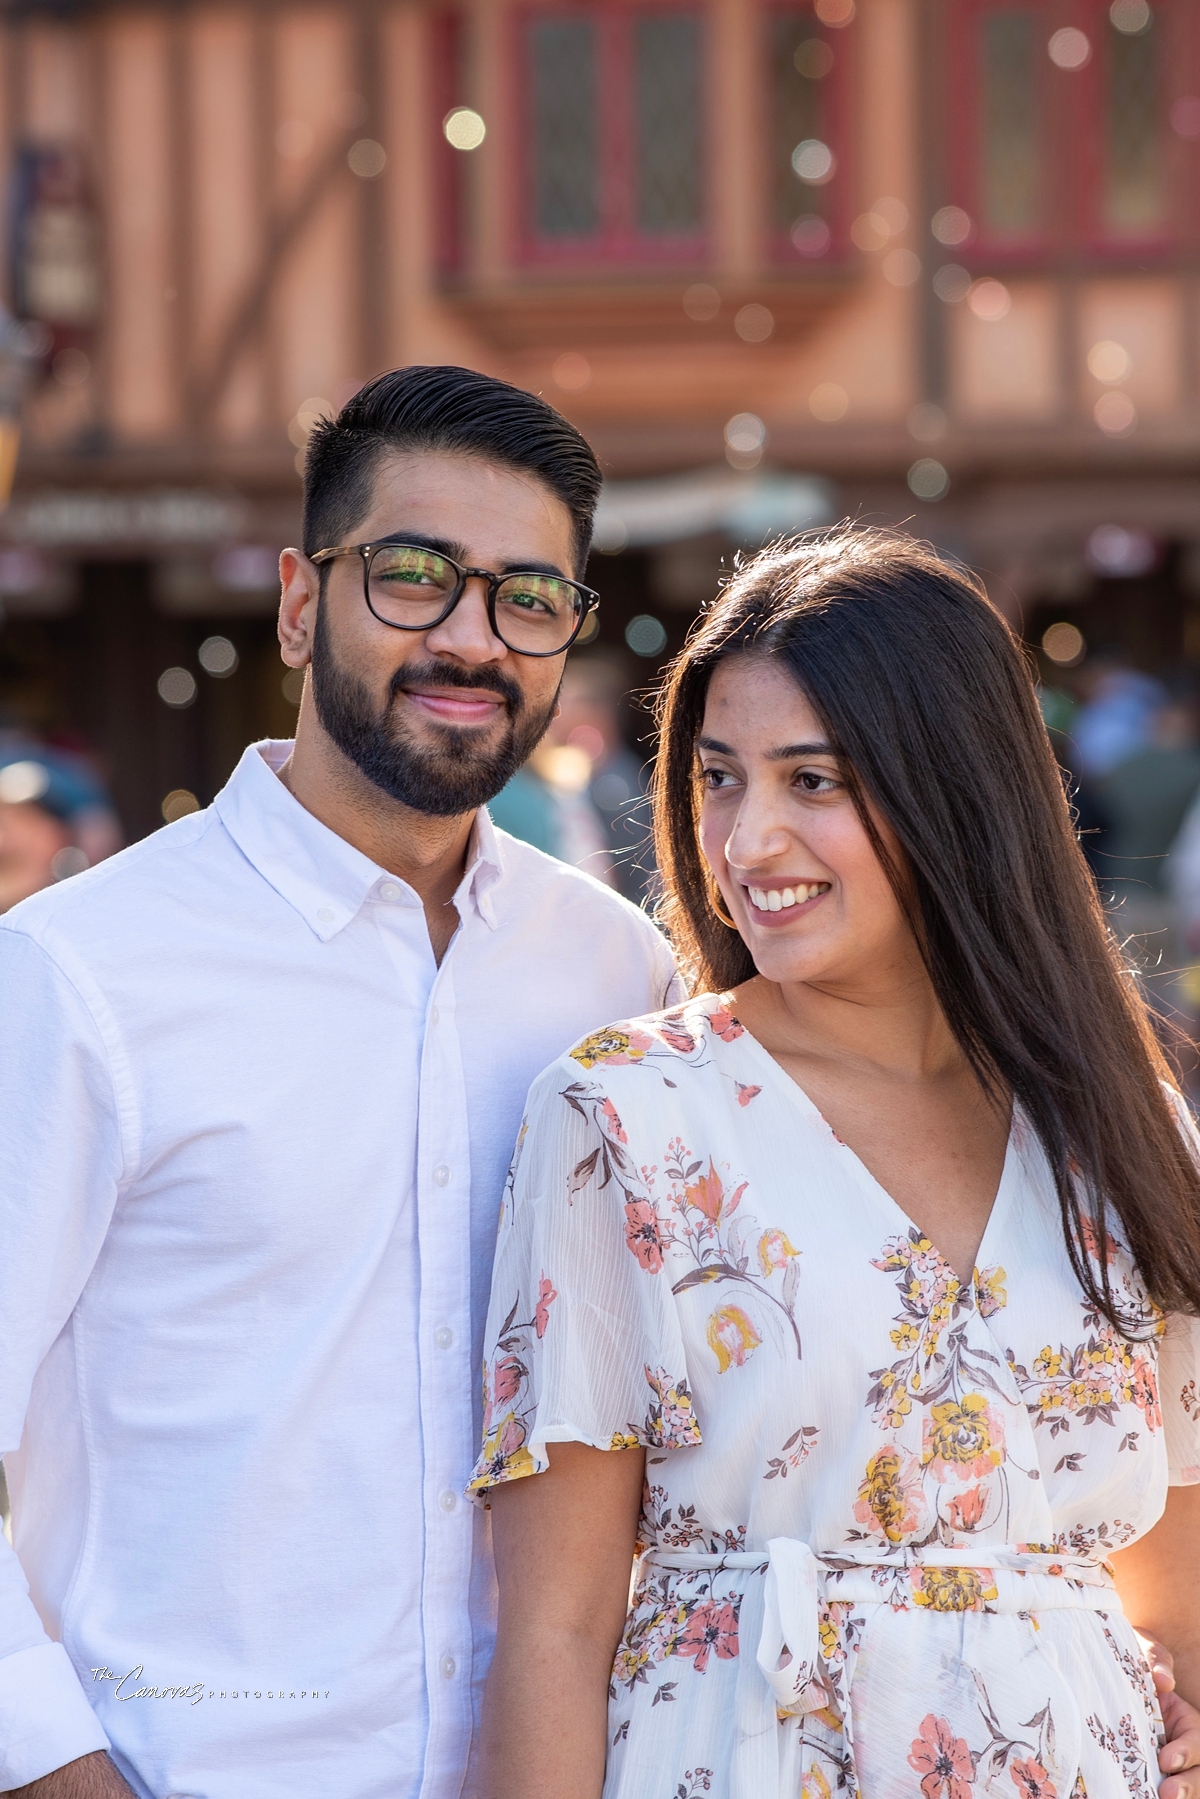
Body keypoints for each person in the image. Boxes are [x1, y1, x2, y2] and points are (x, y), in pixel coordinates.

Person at [0, 366, 678, 1797]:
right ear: (303, 604)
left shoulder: (615, 975)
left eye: (529, 597)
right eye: (416, 576)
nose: (471, 638)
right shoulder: (79, 973)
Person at [472, 531, 1200, 1799]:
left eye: (813, 779)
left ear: (957, 786)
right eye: (717, 778)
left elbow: (1173, 1578)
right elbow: (552, 1629)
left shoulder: (1118, 1126)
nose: (747, 840)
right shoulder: (630, 1116)